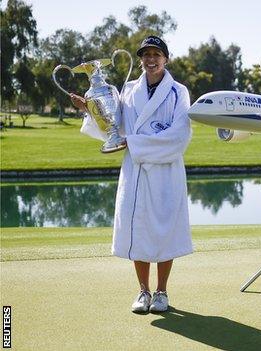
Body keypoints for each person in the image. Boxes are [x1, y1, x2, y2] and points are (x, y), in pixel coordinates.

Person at [70, 35, 193, 313]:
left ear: (166, 59)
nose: (151, 60)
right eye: (146, 55)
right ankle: (143, 292)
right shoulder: (127, 90)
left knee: (164, 231)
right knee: (138, 229)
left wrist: (136, 143)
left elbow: (179, 137)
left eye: (156, 55)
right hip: (135, 172)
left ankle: (161, 292)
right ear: (140, 60)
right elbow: (115, 128)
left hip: (165, 173)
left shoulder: (179, 92)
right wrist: (90, 110)